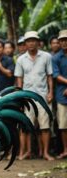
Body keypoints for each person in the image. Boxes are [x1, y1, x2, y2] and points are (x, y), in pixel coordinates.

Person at [15, 31, 54, 161]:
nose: (31, 43)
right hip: (27, 97)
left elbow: (49, 76)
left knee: (45, 126)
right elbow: (19, 80)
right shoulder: (21, 59)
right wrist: (20, 97)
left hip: (43, 96)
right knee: (25, 127)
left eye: (33, 40)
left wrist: (51, 93)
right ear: (25, 43)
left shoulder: (46, 56)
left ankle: (46, 153)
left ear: (38, 42)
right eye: (28, 41)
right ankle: (25, 152)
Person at [52, 30, 67, 159]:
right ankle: (66, 150)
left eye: (66, 40)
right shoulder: (56, 58)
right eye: (62, 40)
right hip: (62, 96)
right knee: (62, 125)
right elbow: (56, 75)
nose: (64, 42)